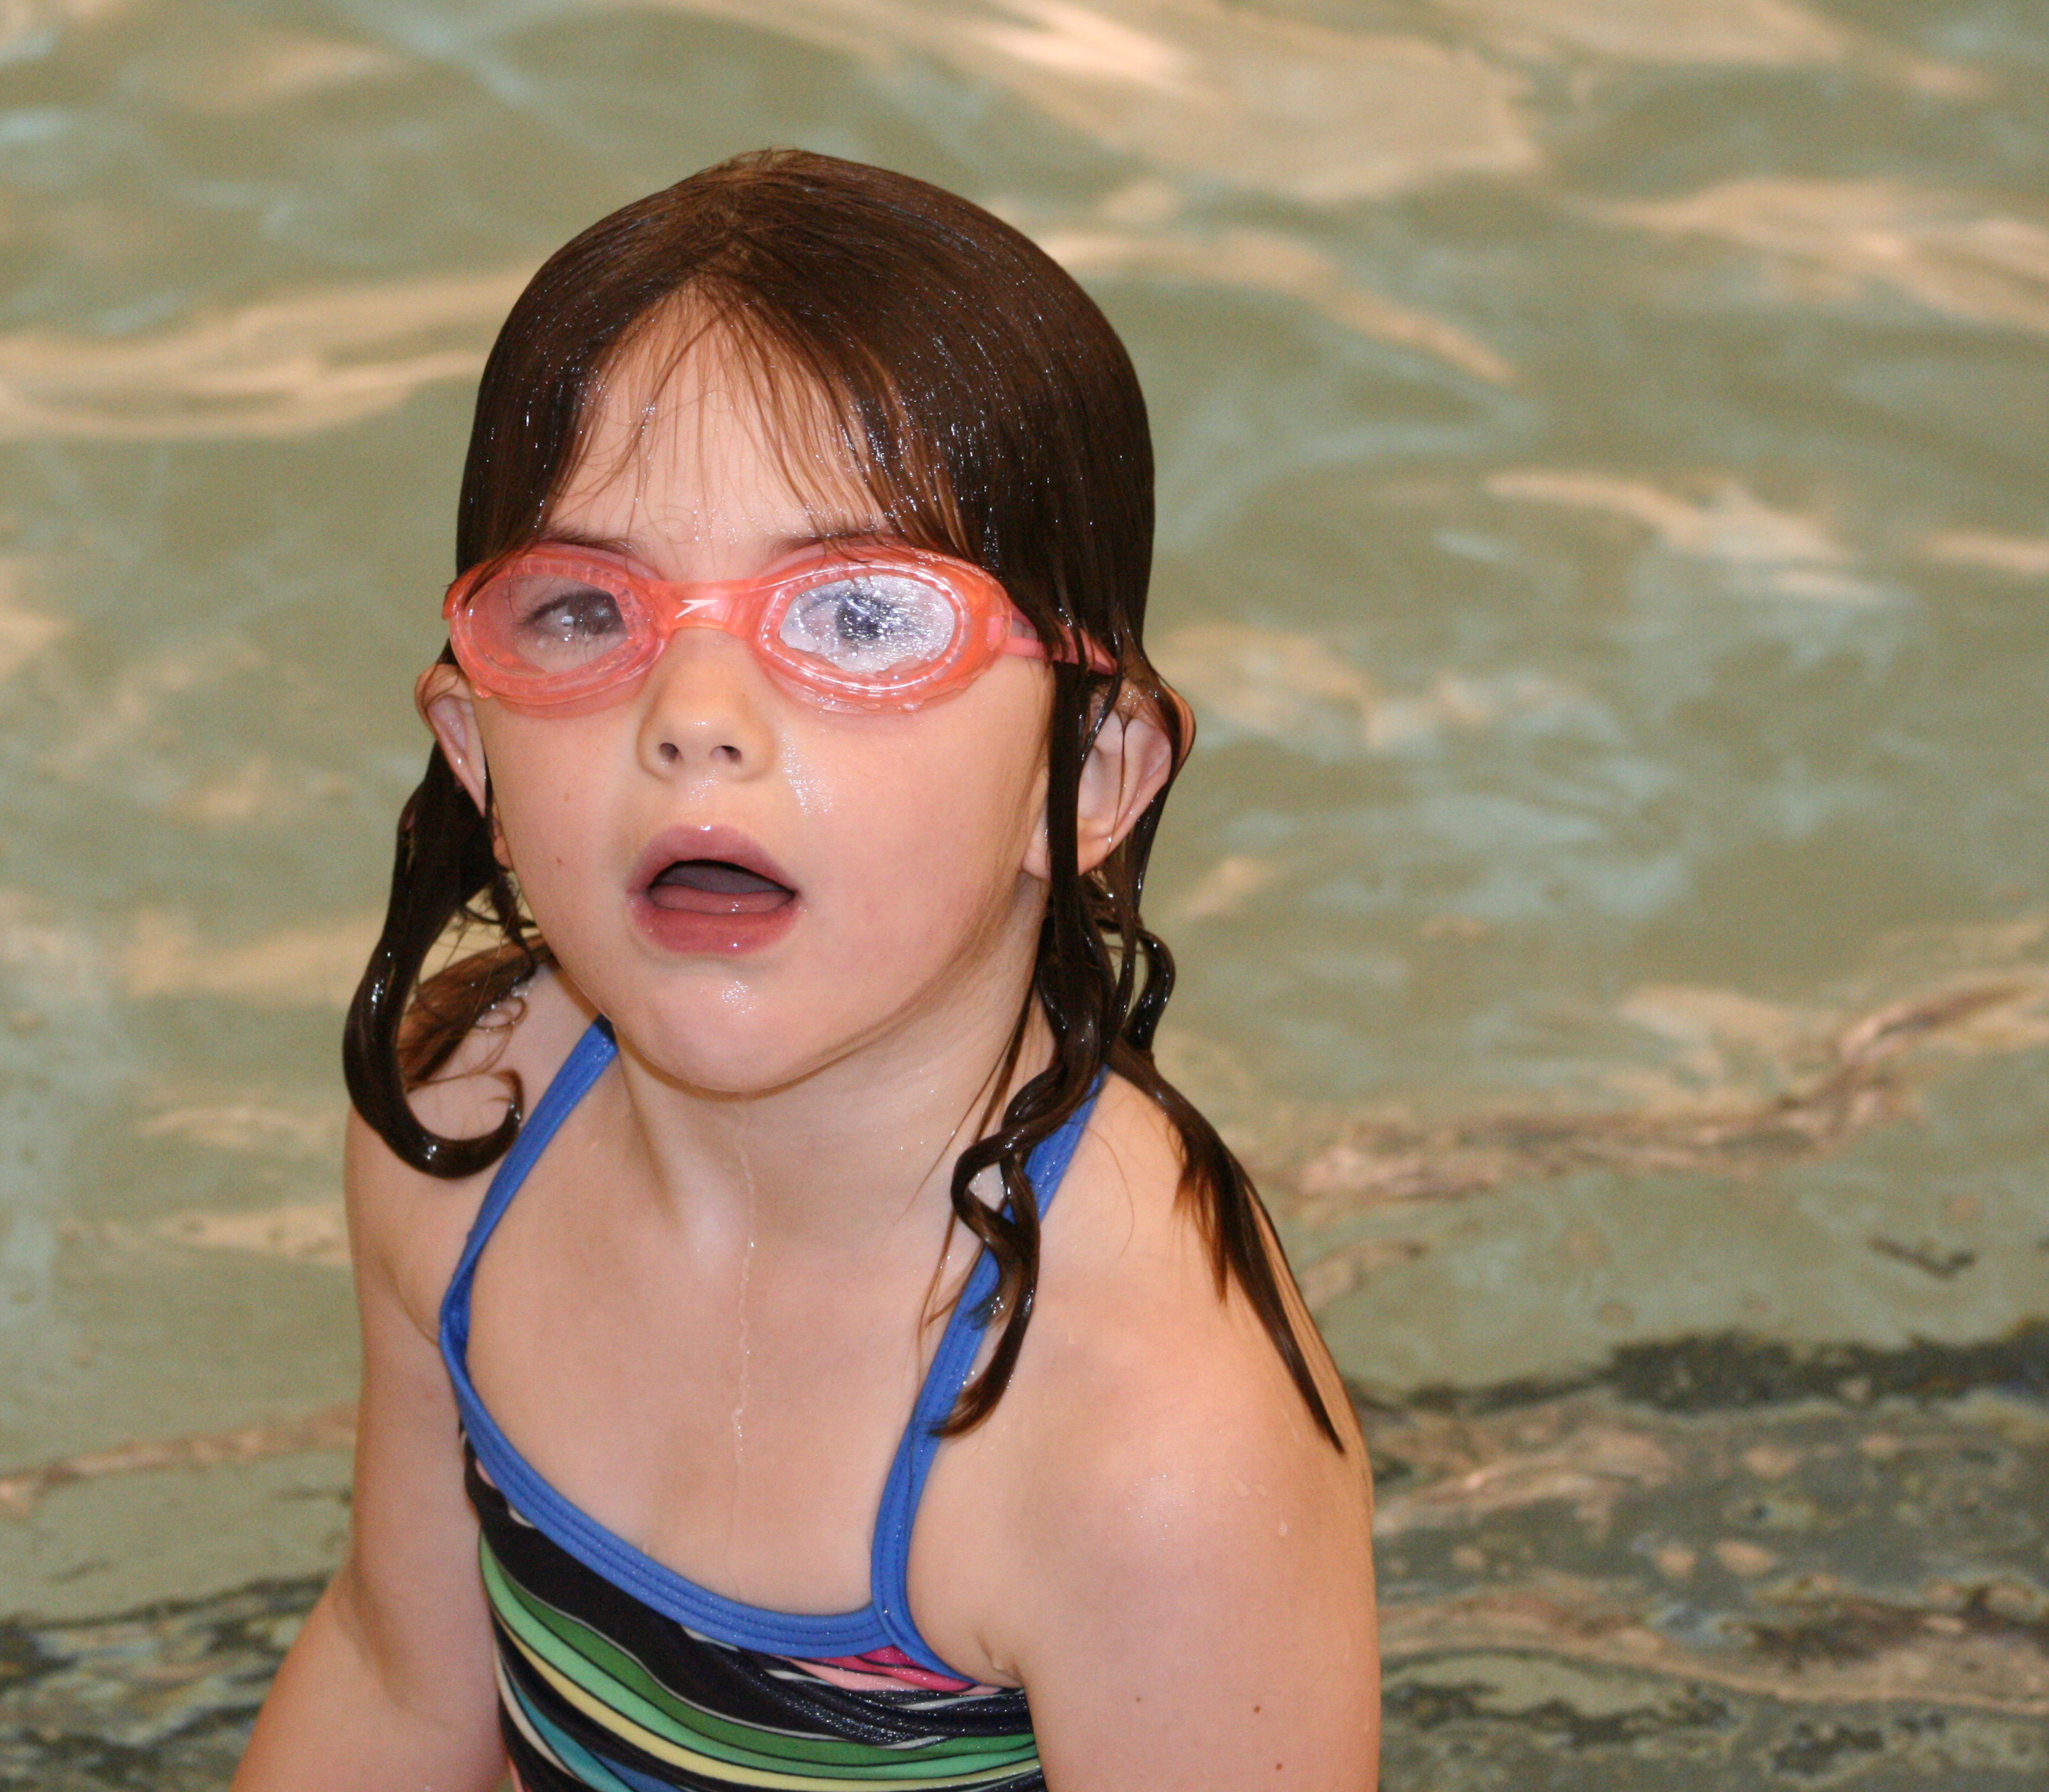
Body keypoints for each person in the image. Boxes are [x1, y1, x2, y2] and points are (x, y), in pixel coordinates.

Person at [236, 149, 1377, 1792]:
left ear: (1094, 773)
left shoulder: (1144, 1441)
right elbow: (397, 1678)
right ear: (474, 752)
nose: (695, 715)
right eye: (584, 610)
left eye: (859, 618)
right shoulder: (467, 1121)